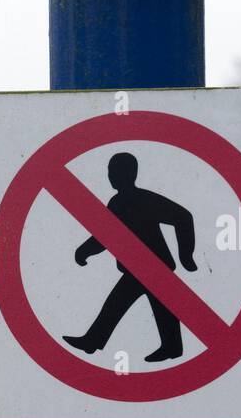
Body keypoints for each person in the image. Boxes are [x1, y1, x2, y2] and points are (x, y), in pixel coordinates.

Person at [62, 152, 197, 362]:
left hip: (153, 268)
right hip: (139, 268)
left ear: (130, 174)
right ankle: (170, 347)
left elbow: (183, 217)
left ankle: (93, 341)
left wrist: (186, 256)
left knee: (119, 305)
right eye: (110, 172)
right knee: (151, 307)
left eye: (115, 172)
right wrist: (85, 251)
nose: (111, 176)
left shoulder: (141, 199)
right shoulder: (117, 202)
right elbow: (106, 235)